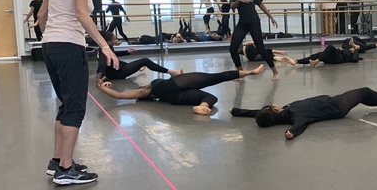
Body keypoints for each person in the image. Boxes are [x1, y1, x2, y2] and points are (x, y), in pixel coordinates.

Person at [36, 0, 119, 185]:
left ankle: (57, 161)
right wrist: (105, 45)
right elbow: (82, 14)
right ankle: (66, 169)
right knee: (75, 107)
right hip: (68, 46)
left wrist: (51, 37)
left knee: (65, 104)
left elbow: (41, 17)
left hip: (50, 45)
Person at [231, 87, 377, 139]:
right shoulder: (296, 116)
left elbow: (254, 113)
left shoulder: (286, 112)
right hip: (336, 106)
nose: (274, 104)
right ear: (274, 110)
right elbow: (300, 126)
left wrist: (237, 111)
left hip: (332, 101)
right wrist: (291, 133)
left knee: (362, 96)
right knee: (363, 92)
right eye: (272, 105)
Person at [95, 66, 264, 115]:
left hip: (175, 96)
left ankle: (203, 106)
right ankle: (250, 72)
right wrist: (101, 87)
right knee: (215, 77)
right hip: (176, 84)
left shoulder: (152, 94)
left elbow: (118, 95)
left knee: (210, 97)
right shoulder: (147, 89)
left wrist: (101, 87)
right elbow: (118, 95)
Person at [228, 0, 280, 81]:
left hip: (254, 22)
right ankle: (240, 73)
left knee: (261, 49)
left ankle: (275, 72)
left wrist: (270, 16)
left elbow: (260, 4)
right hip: (242, 24)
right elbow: (232, 7)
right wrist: (239, 0)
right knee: (233, 49)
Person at [96, 31, 182, 85]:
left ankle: (138, 67)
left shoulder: (107, 47)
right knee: (145, 60)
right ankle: (170, 71)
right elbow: (101, 66)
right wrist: (104, 79)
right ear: (108, 42)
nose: (116, 40)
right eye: (114, 39)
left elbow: (113, 54)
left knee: (122, 62)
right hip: (118, 73)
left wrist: (127, 52)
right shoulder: (103, 51)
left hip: (119, 68)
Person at [282, 43, 360, 66]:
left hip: (339, 59)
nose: (352, 48)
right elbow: (347, 43)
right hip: (331, 57)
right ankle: (296, 61)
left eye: (353, 49)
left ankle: (316, 61)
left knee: (330, 46)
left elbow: (355, 59)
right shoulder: (346, 48)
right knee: (317, 55)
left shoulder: (352, 54)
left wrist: (356, 50)